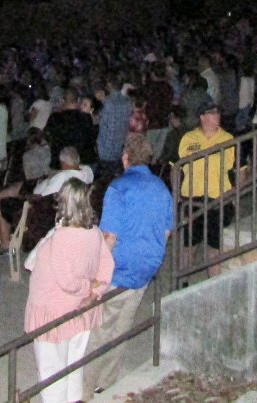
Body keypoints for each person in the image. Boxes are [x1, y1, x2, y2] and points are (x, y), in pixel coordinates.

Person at [83, 134, 174, 399]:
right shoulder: (161, 187)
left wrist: (94, 274)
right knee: (122, 326)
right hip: (147, 268)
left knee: (100, 330)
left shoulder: (118, 188)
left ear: (125, 159)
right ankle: (108, 380)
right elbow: (167, 232)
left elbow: (110, 237)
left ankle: (85, 388)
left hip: (119, 269)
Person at [24, 179, 114, 403]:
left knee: (51, 370)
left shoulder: (62, 237)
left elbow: (68, 281)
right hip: (80, 311)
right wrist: (95, 291)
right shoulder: (93, 232)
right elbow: (107, 265)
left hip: (53, 311)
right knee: (74, 365)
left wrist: (88, 287)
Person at [178, 97, 238, 272]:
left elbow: (239, 169)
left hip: (219, 198)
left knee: (215, 246)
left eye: (218, 112)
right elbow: (175, 167)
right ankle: (183, 283)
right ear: (202, 117)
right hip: (192, 198)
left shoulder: (228, 138)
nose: (216, 115)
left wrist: (234, 195)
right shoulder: (188, 138)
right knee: (189, 244)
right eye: (211, 113)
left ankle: (215, 285)